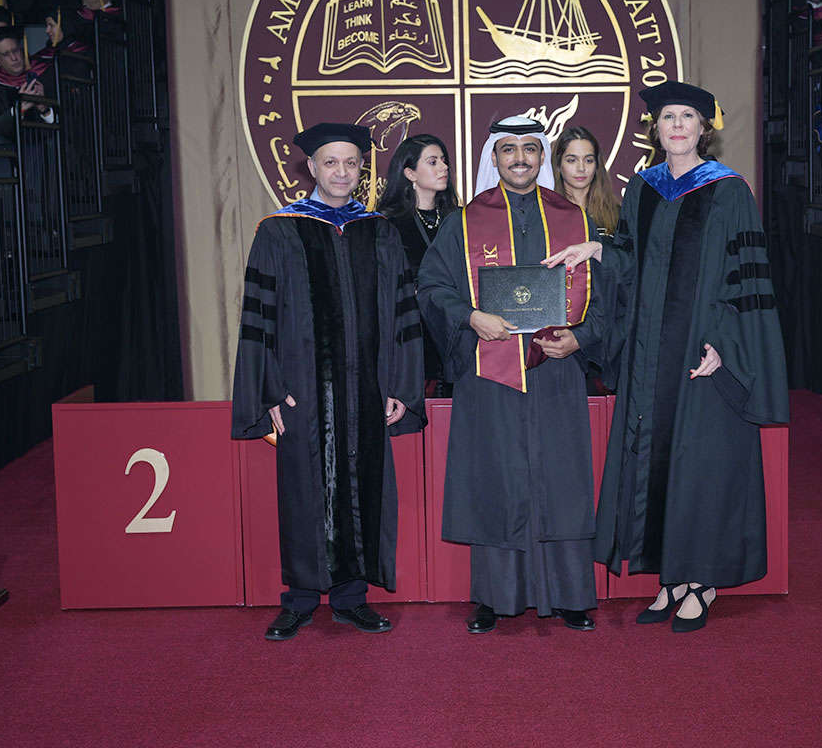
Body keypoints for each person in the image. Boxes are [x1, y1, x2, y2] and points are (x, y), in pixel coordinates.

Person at [546, 82, 789, 633]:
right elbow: (632, 261)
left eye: (687, 117)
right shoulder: (644, 188)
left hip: (704, 351)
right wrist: (598, 248)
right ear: (654, 129)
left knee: (700, 461)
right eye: (668, 117)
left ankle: (700, 580)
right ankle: (671, 577)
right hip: (650, 352)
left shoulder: (729, 191)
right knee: (653, 456)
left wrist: (724, 345)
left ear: (704, 127)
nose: (677, 125)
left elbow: (747, 278)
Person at [231, 122, 426, 641]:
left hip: (367, 389)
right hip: (302, 389)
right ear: (312, 167)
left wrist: (400, 386)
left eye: (351, 163)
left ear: (362, 171)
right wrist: (270, 390)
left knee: (363, 484)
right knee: (303, 489)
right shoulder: (279, 230)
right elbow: (258, 319)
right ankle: (298, 599)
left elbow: (403, 314)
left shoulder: (379, 231)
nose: (341, 172)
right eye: (331, 162)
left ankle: (351, 599)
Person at [416, 116, 602, 634]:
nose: (520, 158)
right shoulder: (464, 221)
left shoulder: (575, 219)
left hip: (555, 371)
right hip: (489, 370)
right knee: (496, 480)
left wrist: (581, 339)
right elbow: (431, 287)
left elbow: (610, 296)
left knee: (560, 480)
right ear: (493, 158)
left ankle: (570, 595)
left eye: (529, 148)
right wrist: (470, 317)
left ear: (542, 156)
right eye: (508, 149)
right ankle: (493, 597)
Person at [377, 133, 461, 396]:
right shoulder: (387, 224)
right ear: (410, 173)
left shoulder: (460, 220)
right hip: (411, 336)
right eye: (433, 162)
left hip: (457, 331)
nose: (444, 167)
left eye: (444, 161)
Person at [551, 125, 620, 240]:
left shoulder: (617, 214)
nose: (581, 168)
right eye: (572, 160)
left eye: (588, 160)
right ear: (558, 164)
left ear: (597, 165)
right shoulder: (544, 212)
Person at [0, 26, 54, 144]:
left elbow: (67, 127)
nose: (14, 58)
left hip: (48, 148)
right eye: (6, 54)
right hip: (11, 151)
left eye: (16, 50)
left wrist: (44, 108)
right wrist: (19, 109)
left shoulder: (45, 75)